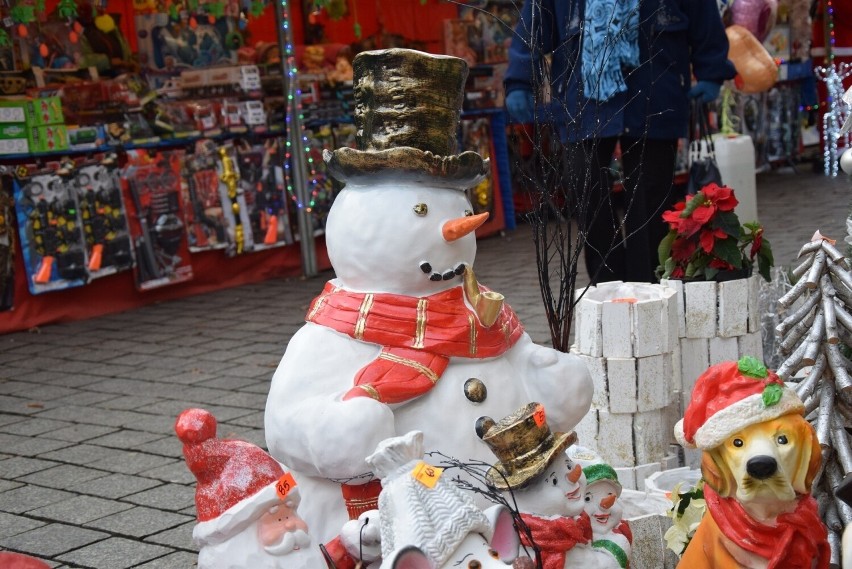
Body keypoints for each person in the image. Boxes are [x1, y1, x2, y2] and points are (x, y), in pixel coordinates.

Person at [504, 0, 736, 283]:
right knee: (585, 191)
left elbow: (703, 14)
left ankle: (648, 289)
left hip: (654, 87)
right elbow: (535, 21)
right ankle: (608, 287)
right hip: (582, 98)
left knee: (651, 200)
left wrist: (712, 70)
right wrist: (519, 80)